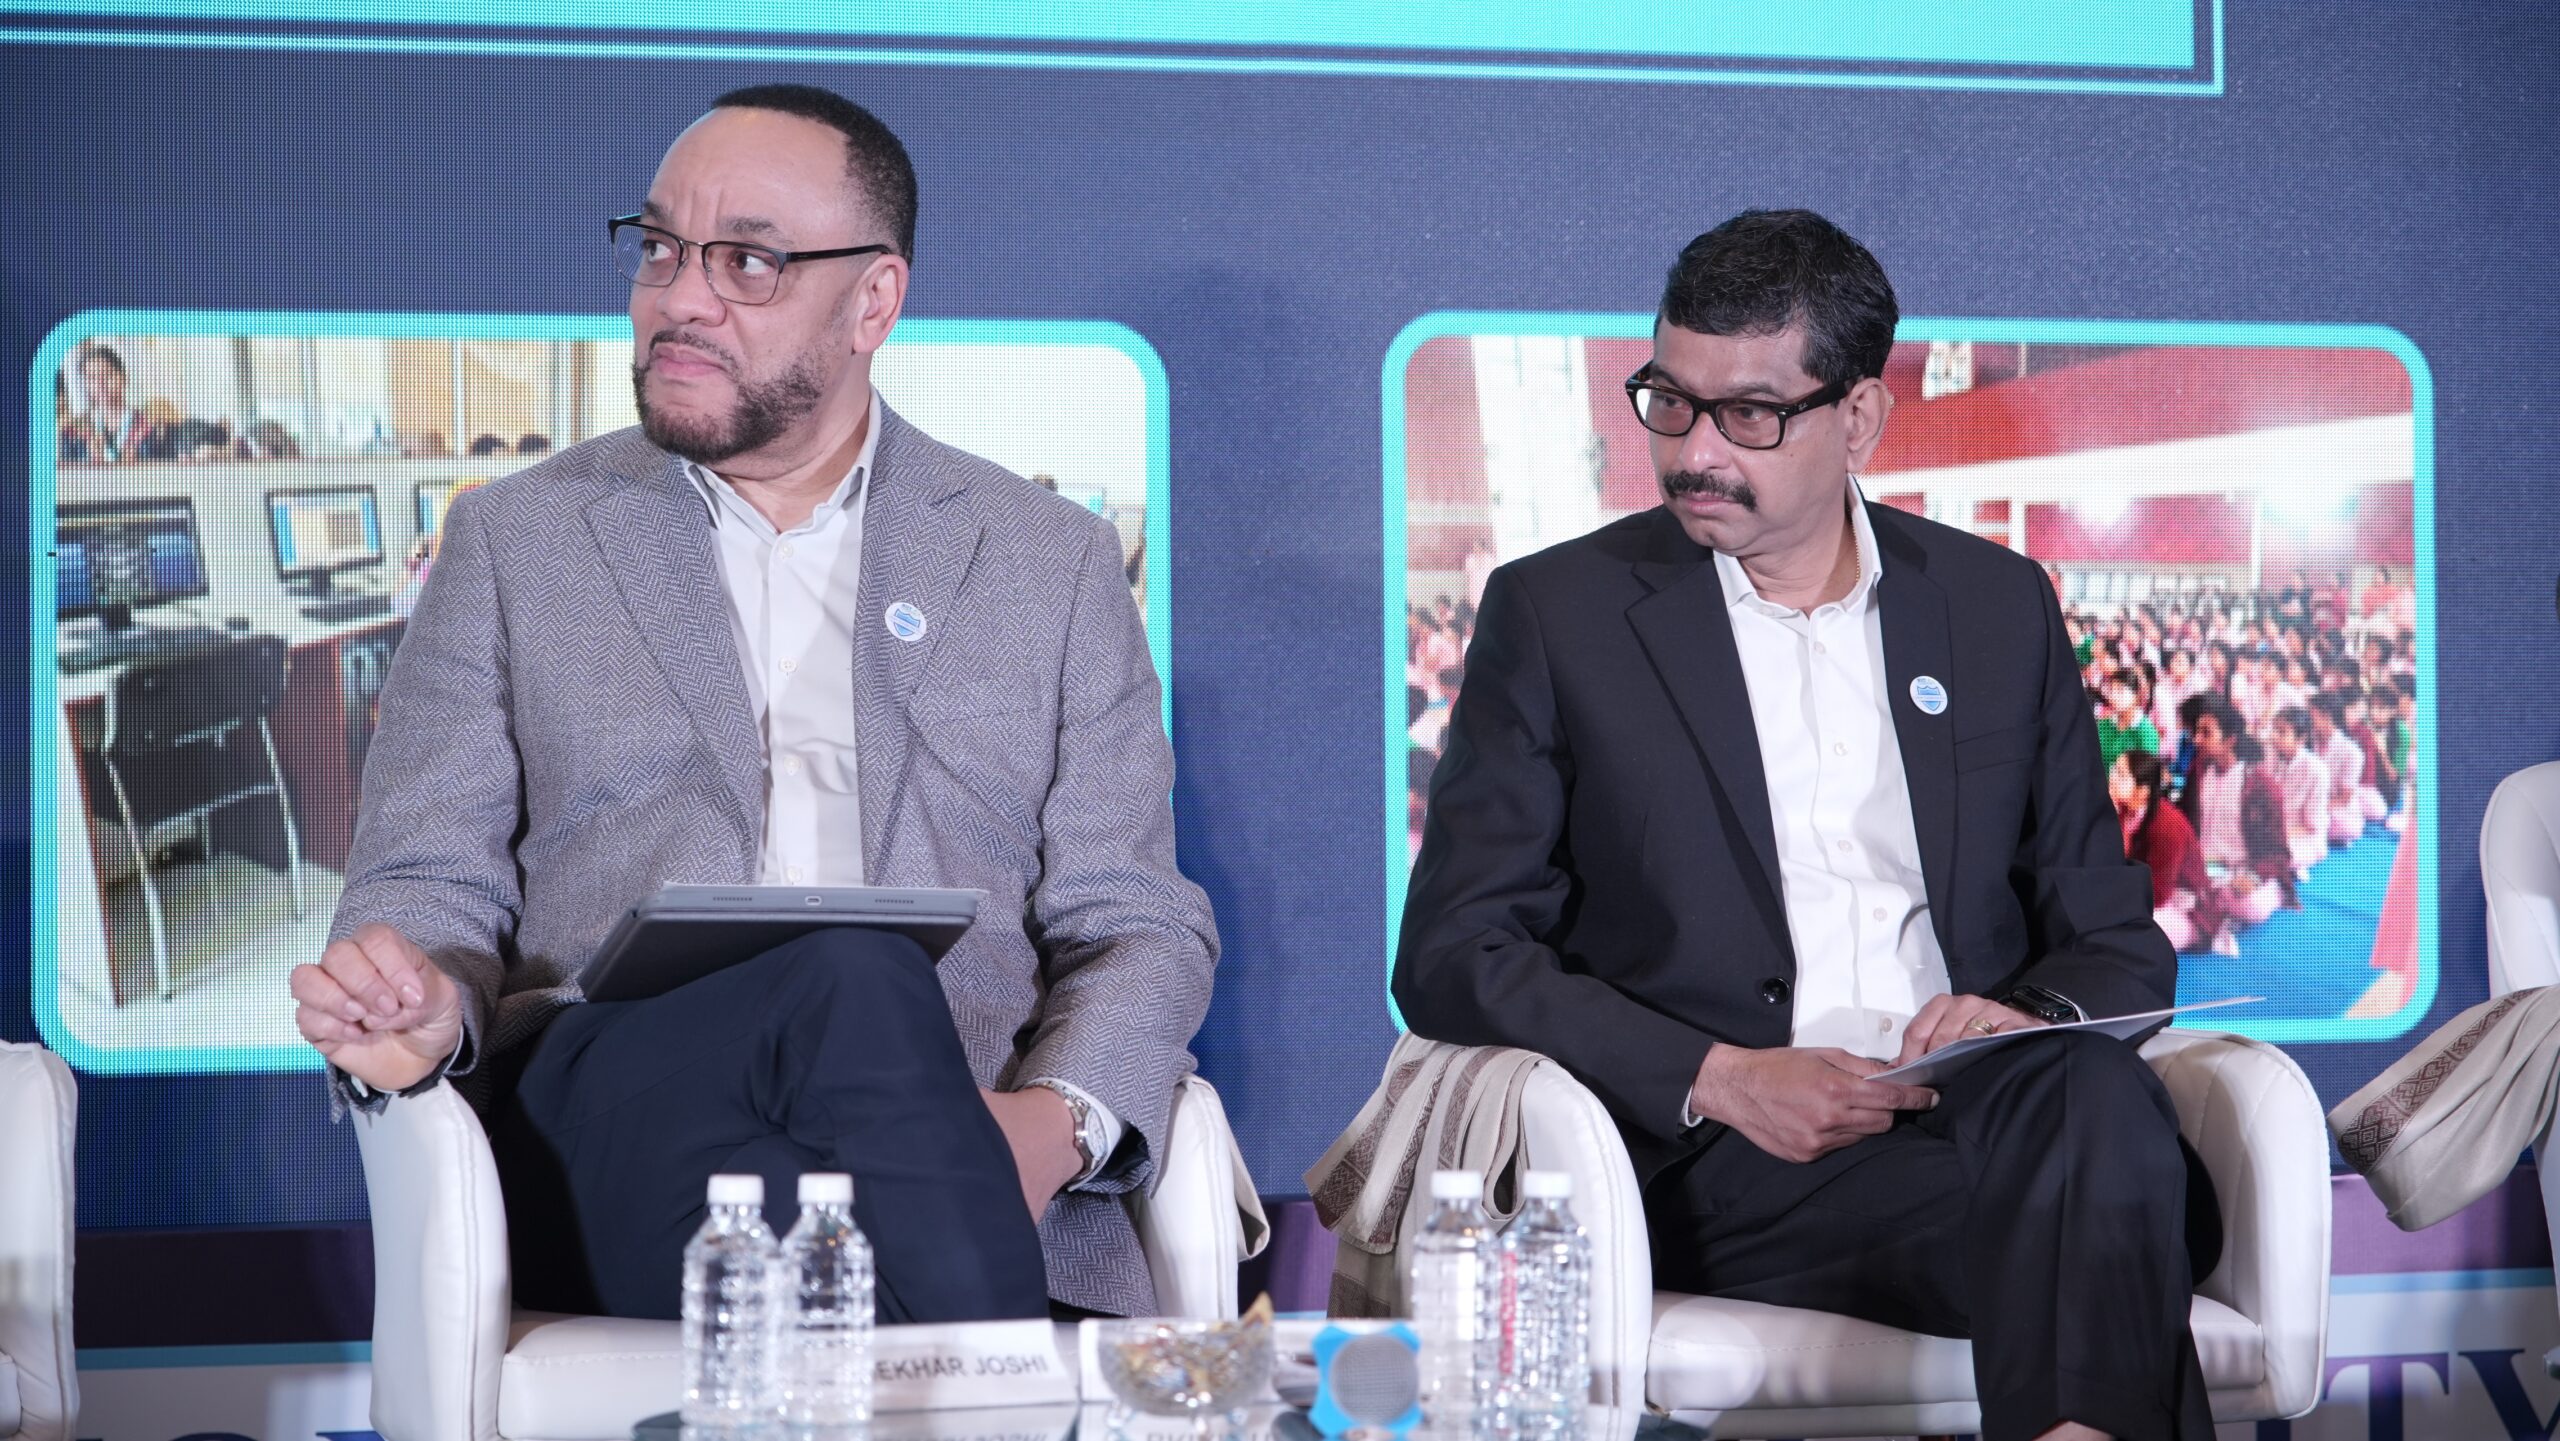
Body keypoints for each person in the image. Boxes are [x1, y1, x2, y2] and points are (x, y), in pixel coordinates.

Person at [289, 84, 1216, 1325]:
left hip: (960, 1142)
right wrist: (421, 1000)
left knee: (855, 1060)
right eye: (661, 248)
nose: (679, 296)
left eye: (749, 262)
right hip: (621, 1107)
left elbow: (1139, 919)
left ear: (872, 302)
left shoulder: (1046, 560)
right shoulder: (519, 542)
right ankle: (1004, 1387)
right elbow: (424, 888)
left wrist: (1045, 1134)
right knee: (848, 970)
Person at [1396, 210, 2218, 1441]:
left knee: (2088, 1105)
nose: (1695, 453)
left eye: (1749, 415)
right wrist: (1722, 1080)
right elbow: (1456, 952)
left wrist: (2019, 1019)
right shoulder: (1558, 615)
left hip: (1995, 1123)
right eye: (1668, 401)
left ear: (1860, 417)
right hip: (1730, 1161)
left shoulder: (1995, 607)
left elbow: (2110, 936)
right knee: (2111, 1228)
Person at [2113, 749, 2206, 952]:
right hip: (2138, 891)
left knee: (2128, 930)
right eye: (2114, 769)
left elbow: (2160, 893)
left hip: (2179, 904)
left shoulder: (2167, 826)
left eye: (2121, 774)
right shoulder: (2123, 808)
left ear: (2142, 790)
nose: (2112, 777)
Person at [57, 344, 169, 463]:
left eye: (107, 374)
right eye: (92, 377)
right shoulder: (73, 431)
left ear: (123, 377)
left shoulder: (151, 428)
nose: (100, 383)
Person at [2266, 706, 2330, 872]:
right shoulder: (2268, 756)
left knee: (2270, 853)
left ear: (2301, 739)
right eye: (2274, 730)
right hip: (2269, 828)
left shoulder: (2317, 770)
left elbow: (2311, 826)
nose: (2274, 736)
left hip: (2302, 836)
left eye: (2281, 732)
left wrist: (2274, 834)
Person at [2095, 665, 2161, 770]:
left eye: (2120, 691)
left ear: (2136, 696)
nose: (2113, 696)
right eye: (2112, 690)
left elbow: (2144, 775)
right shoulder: (2104, 724)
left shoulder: (2147, 734)